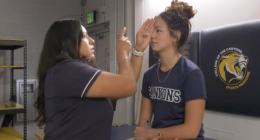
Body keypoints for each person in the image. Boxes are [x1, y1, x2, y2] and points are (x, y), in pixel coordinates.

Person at [34, 18, 154, 140]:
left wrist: (138, 49)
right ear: (67, 42)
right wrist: (122, 54)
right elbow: (128, 86)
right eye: (85, 36)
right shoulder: (68, 70)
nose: (92, 41)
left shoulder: (65, 72)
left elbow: (127, 83)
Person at [134, 0, 207, 140]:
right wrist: (144, 134)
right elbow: (144, 122)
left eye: (158, 31)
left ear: (175, 37)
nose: (152, 36)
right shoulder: (149, 74)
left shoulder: (191, 73)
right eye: (152, 30)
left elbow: (191, 130)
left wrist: (150, 134)